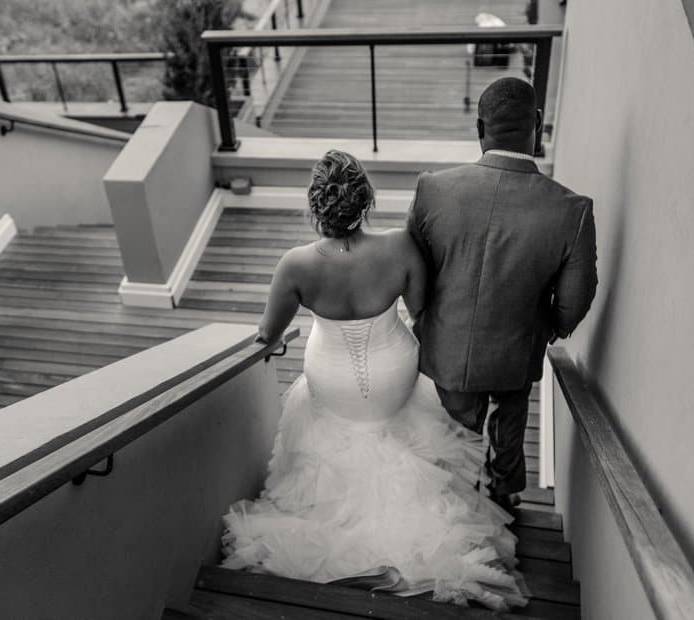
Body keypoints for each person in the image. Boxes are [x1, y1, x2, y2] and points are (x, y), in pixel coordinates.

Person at [221, 150, 528, 611]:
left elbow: (268, 333)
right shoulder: (400, 247)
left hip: (332, 381)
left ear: (315, 205)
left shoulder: (295, 265)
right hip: (394, 374)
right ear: (364, 201)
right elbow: (422, 307)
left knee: (327, 441)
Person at [407, 77, 597, 512]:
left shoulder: (431, 188)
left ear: (479, 128)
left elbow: (411, 272)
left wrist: (428, 319)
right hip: (516, 350)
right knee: (509, 424)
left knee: (451, 442)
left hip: (444, 349)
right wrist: (547, 326)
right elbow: (576, 299)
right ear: (537, 123)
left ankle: (455, 505)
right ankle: (505, 497)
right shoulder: (572, 209)